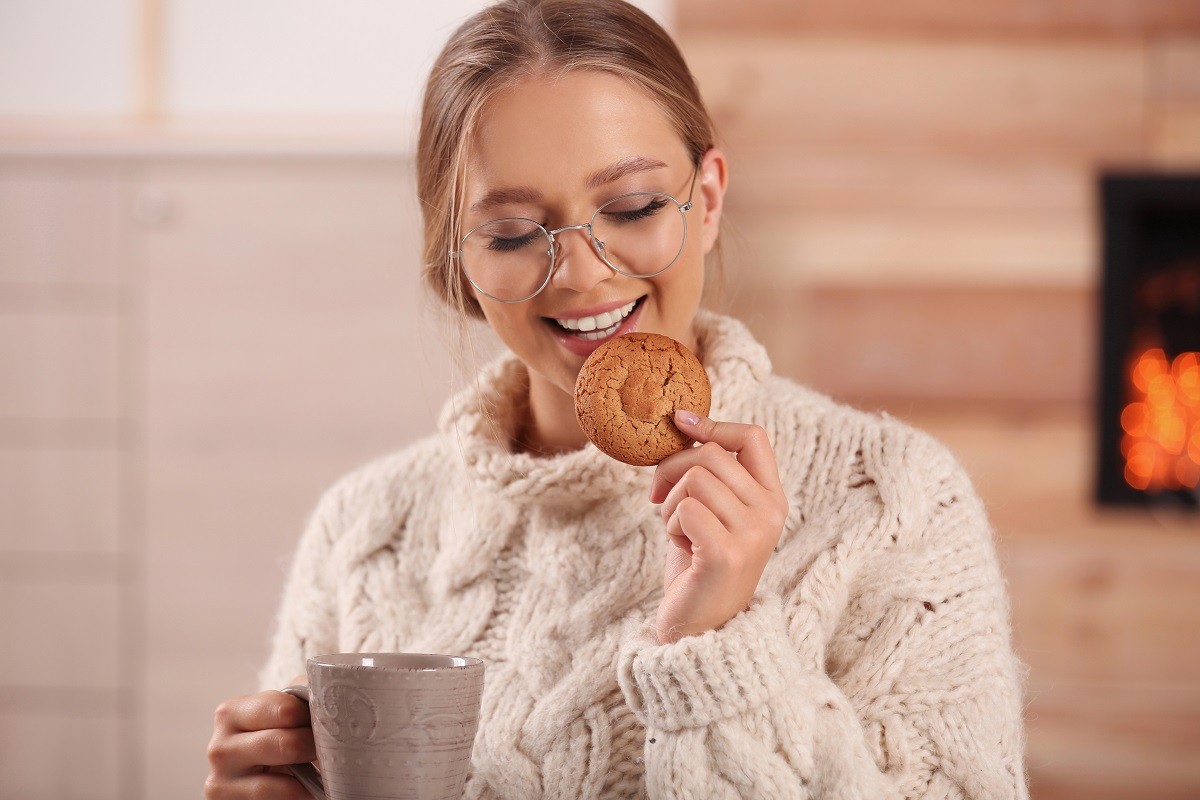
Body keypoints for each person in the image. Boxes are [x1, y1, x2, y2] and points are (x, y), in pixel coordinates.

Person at [204, 1, 1029, 797]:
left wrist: (718, 648)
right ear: (456, 261)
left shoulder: (895, 496)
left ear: (705, 199)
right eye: (514, 233)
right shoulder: (366, 528)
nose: (582, 272)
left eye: (631, 208)